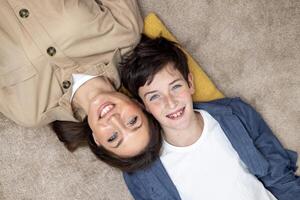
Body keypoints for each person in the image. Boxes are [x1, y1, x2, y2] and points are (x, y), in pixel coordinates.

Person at [120, 34, 300, 200]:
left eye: (175, 87)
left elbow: (280, 176)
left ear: (190, 83)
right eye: (154, 97)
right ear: (144, 106)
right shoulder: (141, 171)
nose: (171, 102)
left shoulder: (235, 112)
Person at [0, 0, 162, 171]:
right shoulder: (126, 33)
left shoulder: (29, 112)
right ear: (139, 105)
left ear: (97, 140)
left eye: (113, 137)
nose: (114, 119)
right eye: (132, 121)